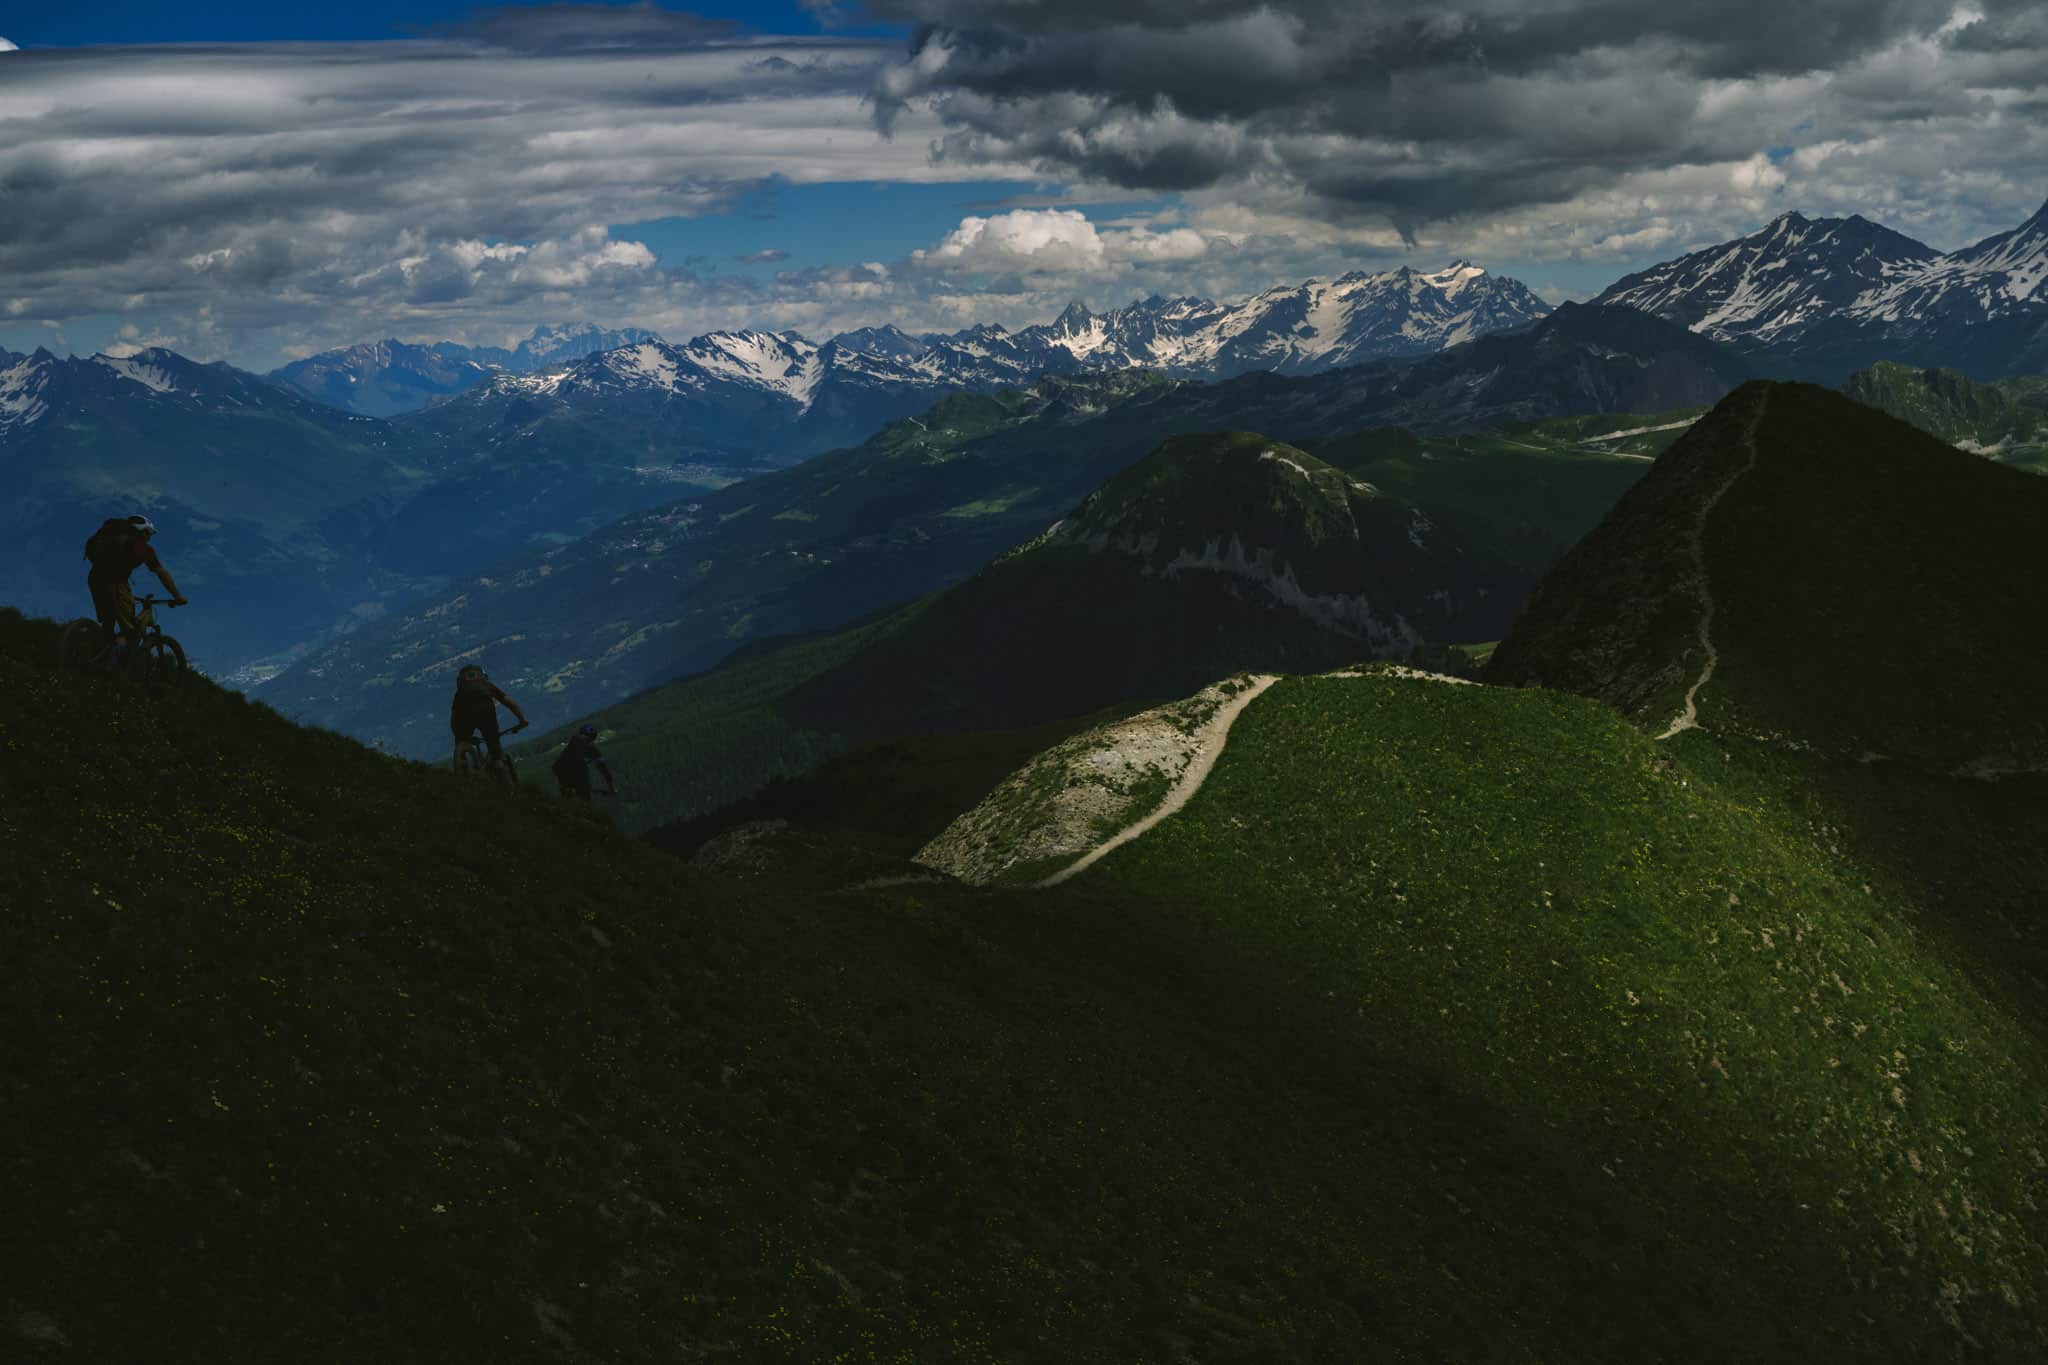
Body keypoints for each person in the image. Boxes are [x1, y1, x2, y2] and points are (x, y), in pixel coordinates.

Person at [84, 514, 187, 664]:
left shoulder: (111, 538)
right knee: (130, 631)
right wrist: (178, 596)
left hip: (95, 577)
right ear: (143, 532)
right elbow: (161, 573)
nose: (150, 537)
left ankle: (99, 656)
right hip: (116, 582)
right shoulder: (142, 547)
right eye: (149, 533)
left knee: (108, 622)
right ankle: (112, 667)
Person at [449, 663, 527, 772]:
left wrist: (459, 735)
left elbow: (455, 716)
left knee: (461, 739)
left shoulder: (459, 694)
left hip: (464, 715)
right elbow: (509, 702)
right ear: (483, 676)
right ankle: (498, 763)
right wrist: (522, 719)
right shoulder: (486, 685)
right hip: (485, 712)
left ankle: (462, 769)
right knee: (492, 739)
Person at [552, 723, 617, 801]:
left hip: (561, 768)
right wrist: (611, 787)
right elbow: (603, 769)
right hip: (566, 768)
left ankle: (569, 796)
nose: (585, 740)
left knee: (573, 790)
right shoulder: (589, 748)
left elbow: (603, 768)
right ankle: (574, 797)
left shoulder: (577, 742)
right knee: (581, 788)